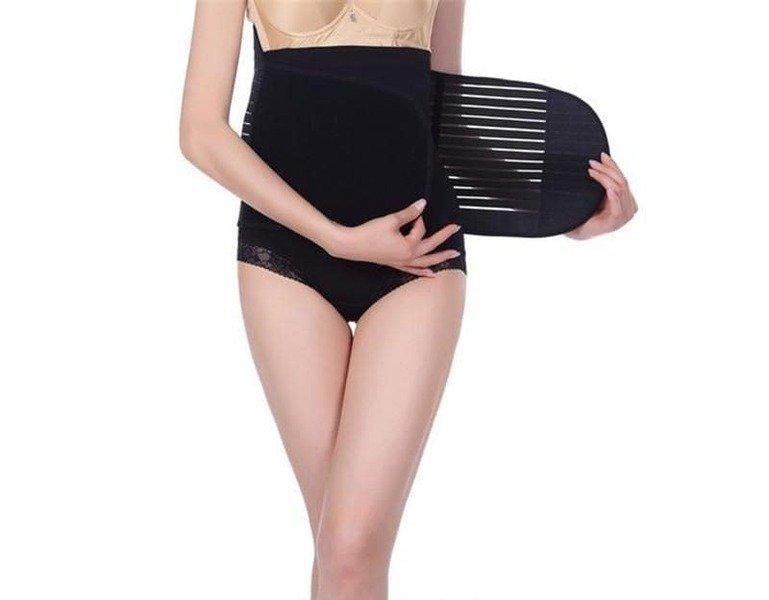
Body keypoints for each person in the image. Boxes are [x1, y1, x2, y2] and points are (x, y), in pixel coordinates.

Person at [180, 1, 637, 598]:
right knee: (340, 552)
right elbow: (200, 132)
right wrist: (334, 237)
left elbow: (443, 116)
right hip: (287, 254)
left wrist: (570, 212)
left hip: (419, 256)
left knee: (349, 550)